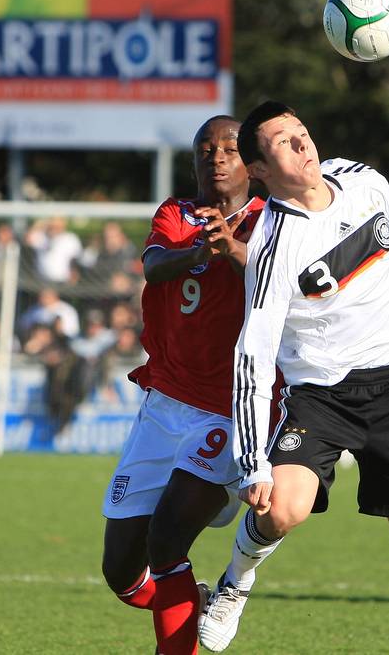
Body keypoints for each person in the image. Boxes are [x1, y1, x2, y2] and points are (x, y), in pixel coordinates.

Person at [198, 101, 389, 655]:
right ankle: (235, 582)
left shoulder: (365, 182)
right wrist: (252, 460)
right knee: (281, 507)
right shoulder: (272, 248)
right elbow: (253, 353)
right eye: (283, 142)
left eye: (301, 133)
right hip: (323, 398)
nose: (301, 144)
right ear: (258, 171)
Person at [99, 115, 266, 655]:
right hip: (164, 403)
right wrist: (201, 251)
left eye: (229, 149)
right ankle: (184, 597)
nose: (216, 157)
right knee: (121, 570)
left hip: (228, 409)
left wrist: (235, 252)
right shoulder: (177, 213)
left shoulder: (274, 221)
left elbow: (284, 285)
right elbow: (154, 265)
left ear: (253, 163)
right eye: (205, 149)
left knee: (168, 538)